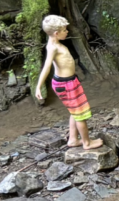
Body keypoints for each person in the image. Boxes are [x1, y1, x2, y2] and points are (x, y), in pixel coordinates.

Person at [34, 15, 103, 150]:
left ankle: (73, 139)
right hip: (65, 85)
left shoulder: (56, 44)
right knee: (80, 115)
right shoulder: (53, 47)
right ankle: (87, 143)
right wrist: (38, 86)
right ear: (56, 33)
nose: (67, 32)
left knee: (74, 111)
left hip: (70, 81)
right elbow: (46, 67)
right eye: (65, 30)